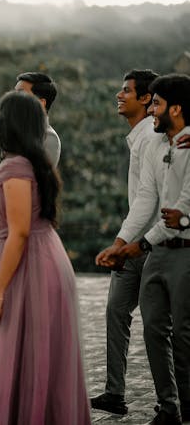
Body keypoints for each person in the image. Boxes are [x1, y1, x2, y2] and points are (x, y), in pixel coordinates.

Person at [0, 91, 89, 424]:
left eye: (1, 112)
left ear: (10, 122)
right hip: (32, 255)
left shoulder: (14, 168)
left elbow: (18, 233)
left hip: (31, 267)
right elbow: (9, 233)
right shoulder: (28, 163)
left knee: (18, 352)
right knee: (22, 354)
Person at [98, 74, 190, 425]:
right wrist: (123, 243)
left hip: (175, 248)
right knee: (153, 327)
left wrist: (135, 245)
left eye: (156, 103)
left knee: (182, 333)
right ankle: (168, 407)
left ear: (176, 108)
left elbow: (179, 209)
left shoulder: (184, 146)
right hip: (154, 248)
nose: (152, 109)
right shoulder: (152, 144)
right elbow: (146, 197)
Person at [0, 71, 62, 322]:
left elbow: (6, 168)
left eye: (19, 93)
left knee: (4, 298)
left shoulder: (48, 139)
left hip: (11, 227)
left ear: (39, 102)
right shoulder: (9, 135)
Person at [90, 69, 158, 416]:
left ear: (146, 99)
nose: (119, 95)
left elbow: (149, 200)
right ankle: (114, 392)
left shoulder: (150, 137)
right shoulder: (139, 136)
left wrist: (121, 242)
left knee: (158, 324)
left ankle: (173, 402)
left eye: (126, 91)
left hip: (149, 244)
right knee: (116, 311)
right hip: (133, 240)